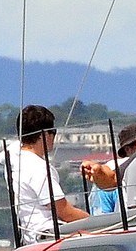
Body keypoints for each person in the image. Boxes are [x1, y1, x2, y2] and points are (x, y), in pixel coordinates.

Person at [11, 104, 89, 243]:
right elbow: (64, 211)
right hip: (48, 234)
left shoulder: (13, 158)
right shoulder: (38, 168)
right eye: (53, 131)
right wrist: (96, 221)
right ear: (44, 135)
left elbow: (0, 156)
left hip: (29, 236)